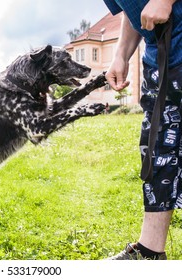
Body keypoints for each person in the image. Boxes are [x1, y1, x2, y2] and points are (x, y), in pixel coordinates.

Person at [103, 0, 182, 260]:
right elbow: (133, 10)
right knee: (158, 152)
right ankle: (150, 252)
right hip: (159, 60)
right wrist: (121, 54)